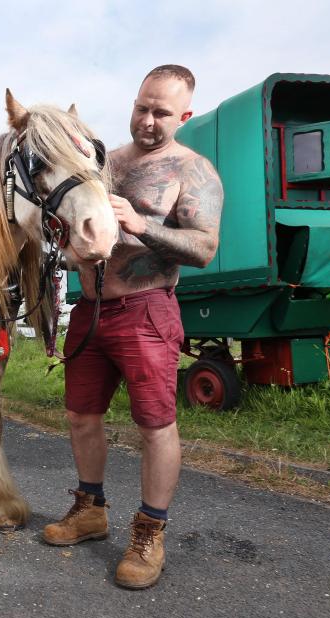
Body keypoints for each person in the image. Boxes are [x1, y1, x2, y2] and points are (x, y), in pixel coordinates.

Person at [43, 65, 223, 589]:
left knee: (154, 426)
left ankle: (149, 531)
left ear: (183, 116)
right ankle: (90, 509)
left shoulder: (194, 171)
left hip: (147, 310)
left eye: (161, 112)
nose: (147, 120)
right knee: (80, 416)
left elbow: (205, 248)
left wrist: (143, 225)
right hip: (89, 309)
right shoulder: (101, 162)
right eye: (142, 106)